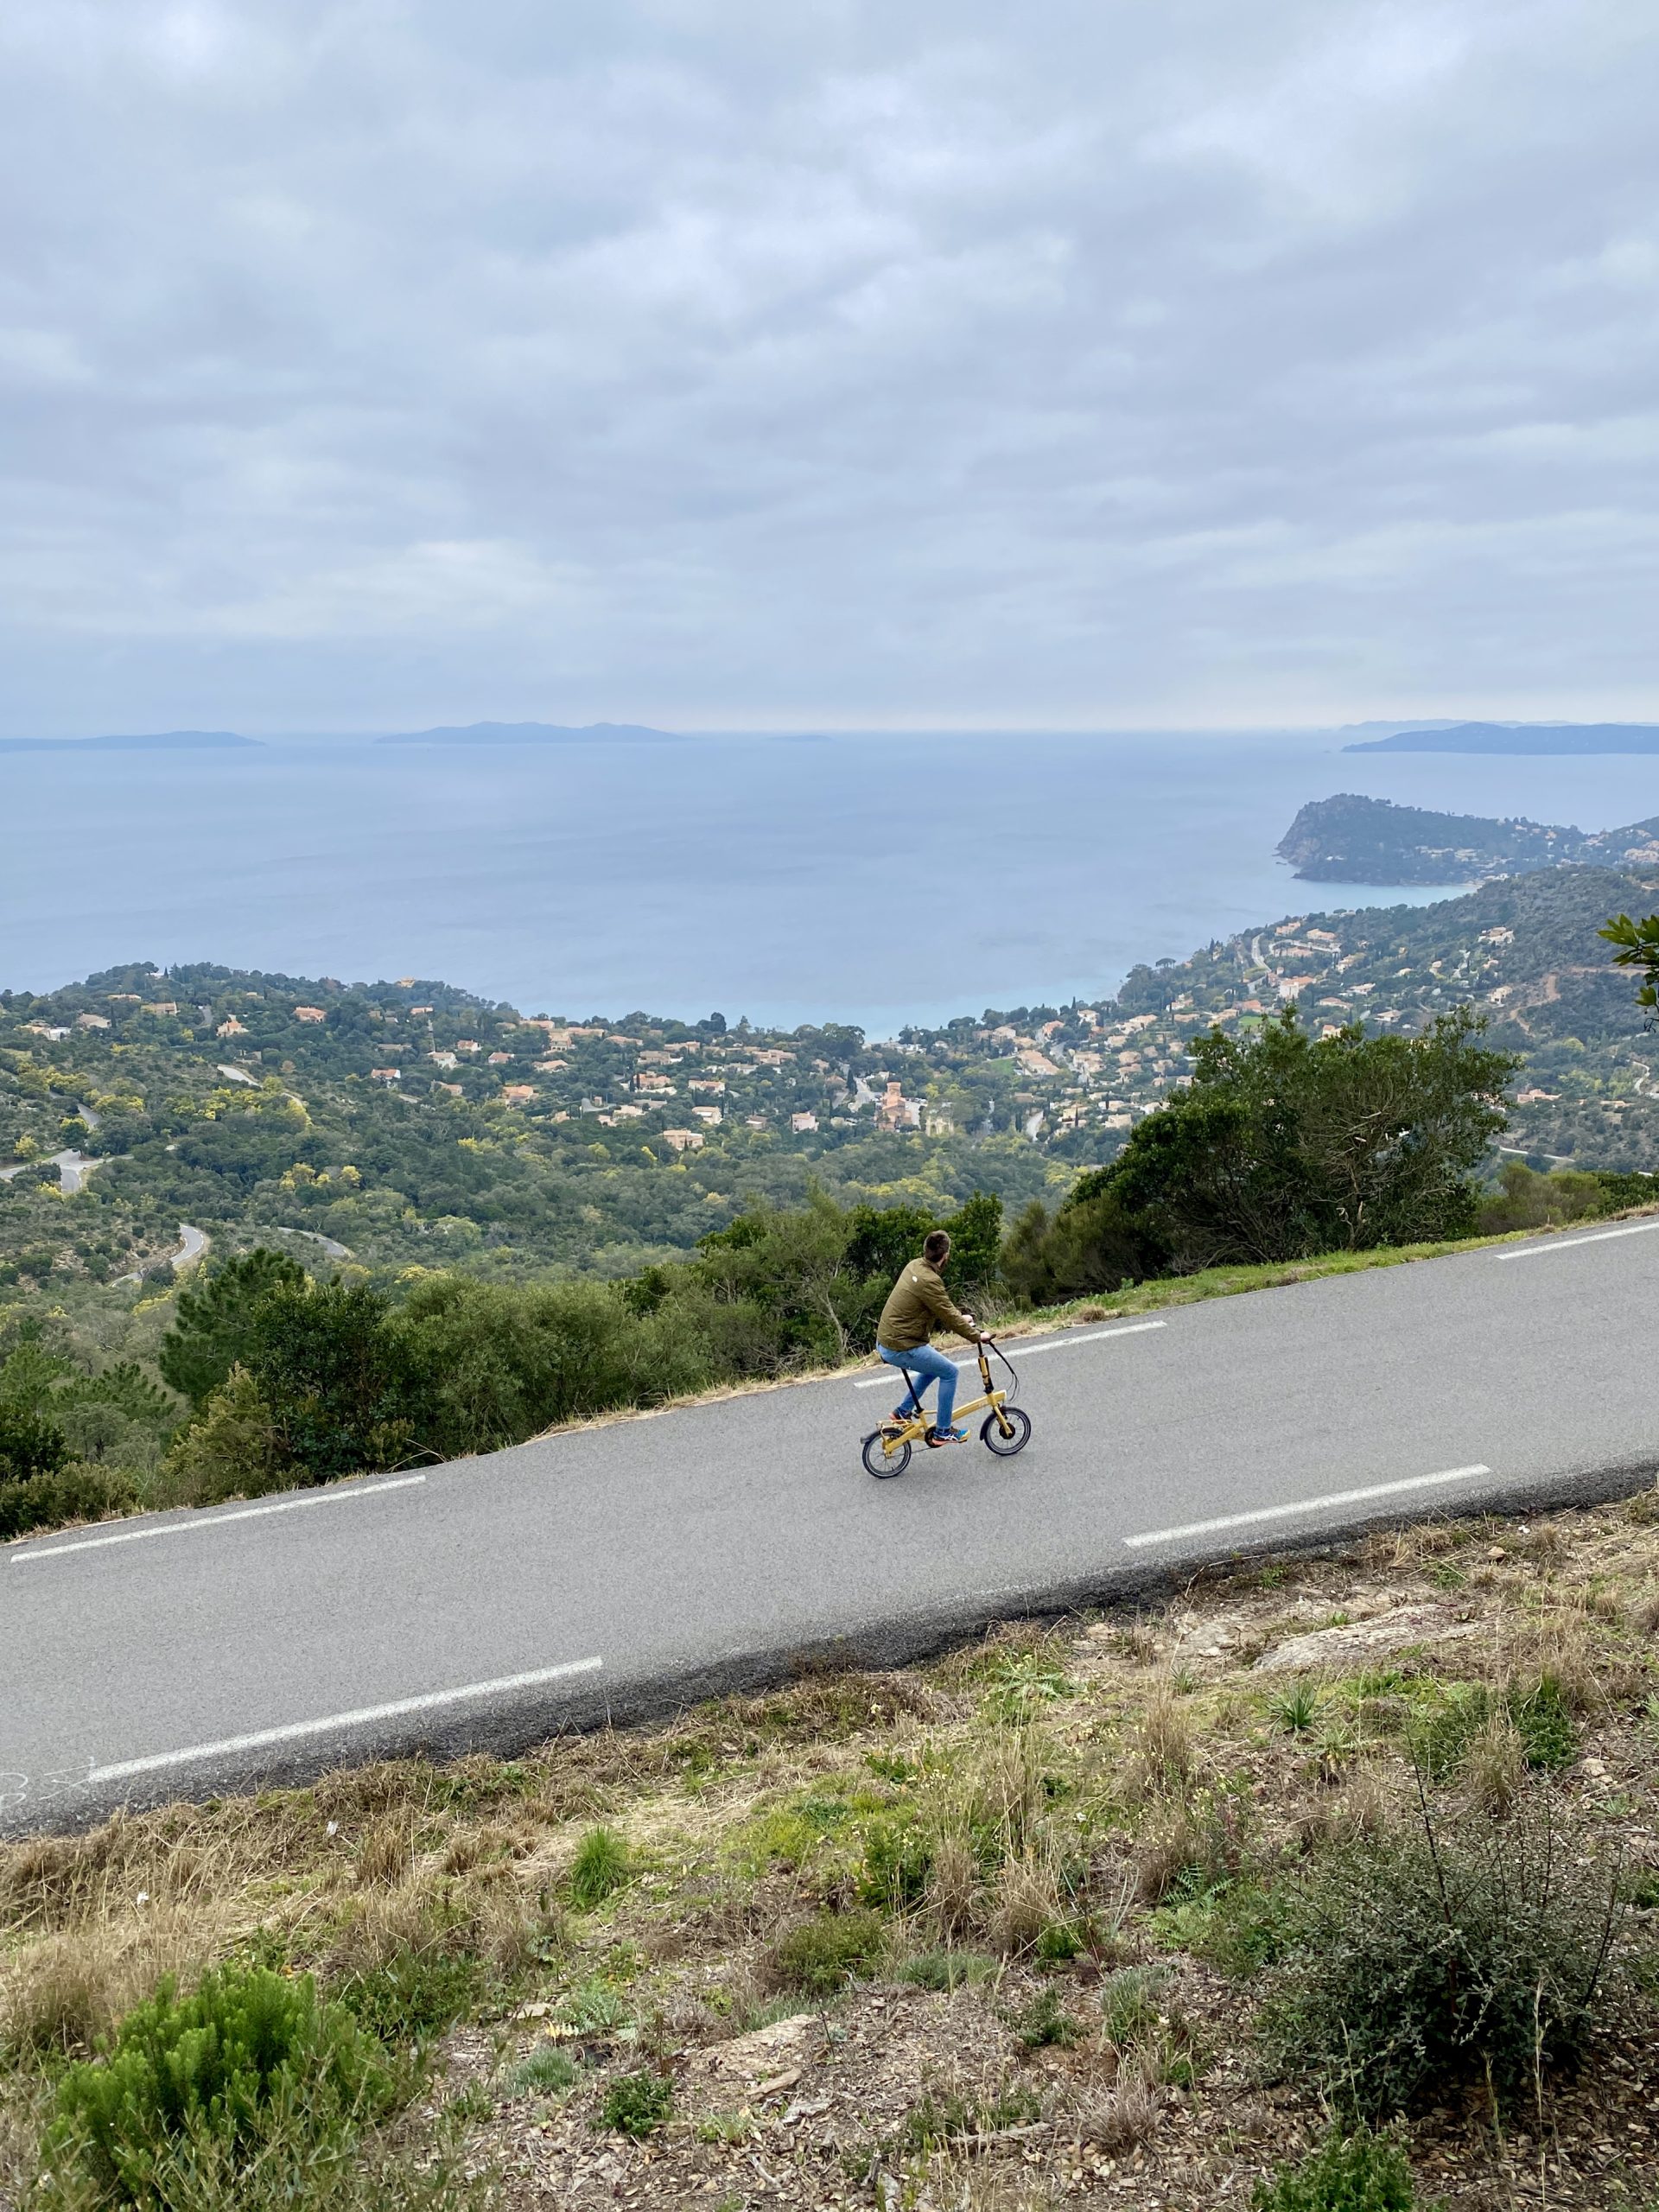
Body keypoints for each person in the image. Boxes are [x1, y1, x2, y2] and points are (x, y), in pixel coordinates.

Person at [874, 1229, 983, 1446]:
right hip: (901, 1346)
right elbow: (948, 1314)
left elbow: (943, 1310)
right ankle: (943, 1431)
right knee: (950, 1372)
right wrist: (978, 1336)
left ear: (925, 1251)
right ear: (946, 1256)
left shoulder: (914, 1266)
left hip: (888, 1340)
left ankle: (903, 1411)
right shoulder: (930, 1281)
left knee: (934, 1366)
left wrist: (961, 1319)